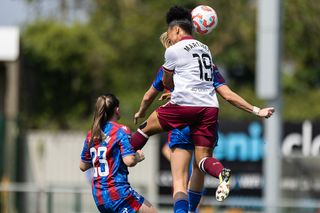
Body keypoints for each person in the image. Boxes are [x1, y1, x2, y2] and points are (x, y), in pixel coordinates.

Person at [130, 5, 275, 210]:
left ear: (176, 32)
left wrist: (142, 111)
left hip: (183, 112)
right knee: (202, 163)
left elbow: (153, 92)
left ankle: (121, 156)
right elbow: (227, 94)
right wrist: (256, 110)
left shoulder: (172, 54)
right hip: (208, 109)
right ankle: (218, 176)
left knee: (176, 175)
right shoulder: (206, 55)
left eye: (170, 33)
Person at [79, 94, 157, 213]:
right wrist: (138, 157)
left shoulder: (91, 134)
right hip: (118, 192)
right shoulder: (121, 130)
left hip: (99, 196)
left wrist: (104, 157)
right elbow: (129, 161)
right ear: (117, 110)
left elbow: (83, 165)